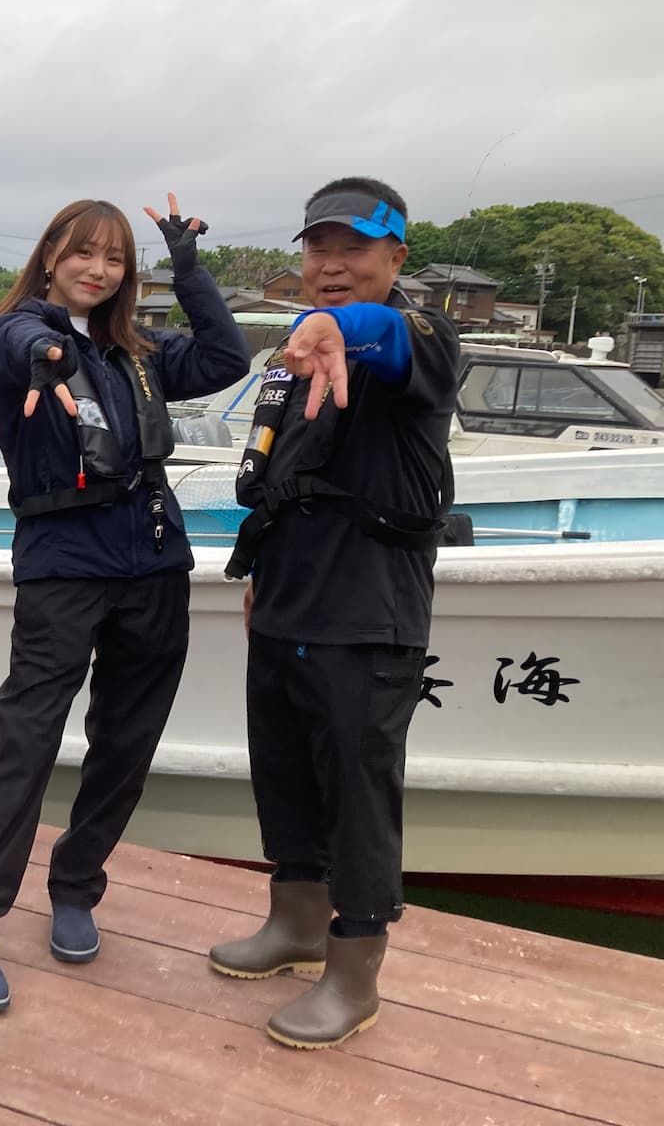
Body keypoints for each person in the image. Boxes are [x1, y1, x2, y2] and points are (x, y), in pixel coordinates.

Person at [0, 196, 249, 1012]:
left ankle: (76, 886)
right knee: (28, 745)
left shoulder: (137, 350)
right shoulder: (17, 333)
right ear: (51, 257)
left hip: (154, 564)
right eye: (82, 253)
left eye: (113, 259)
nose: (97, 269)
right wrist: (48, 355)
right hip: (64, 568)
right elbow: (14, 345)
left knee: (126, 743)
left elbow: (225, 357)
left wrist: (188, 268)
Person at [210, 177, 459, 1049]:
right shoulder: (288, 362)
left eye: (354, 248)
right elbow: (285, 483)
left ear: (396, 256)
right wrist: (260, 578)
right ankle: (297, 921)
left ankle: (354, 972)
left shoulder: (418, 337)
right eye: (318, 248)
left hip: (367, 613)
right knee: (283, 773)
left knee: (359, 793)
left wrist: (336, 328)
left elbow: (387, 336)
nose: (332, 265)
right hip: (286, 601)